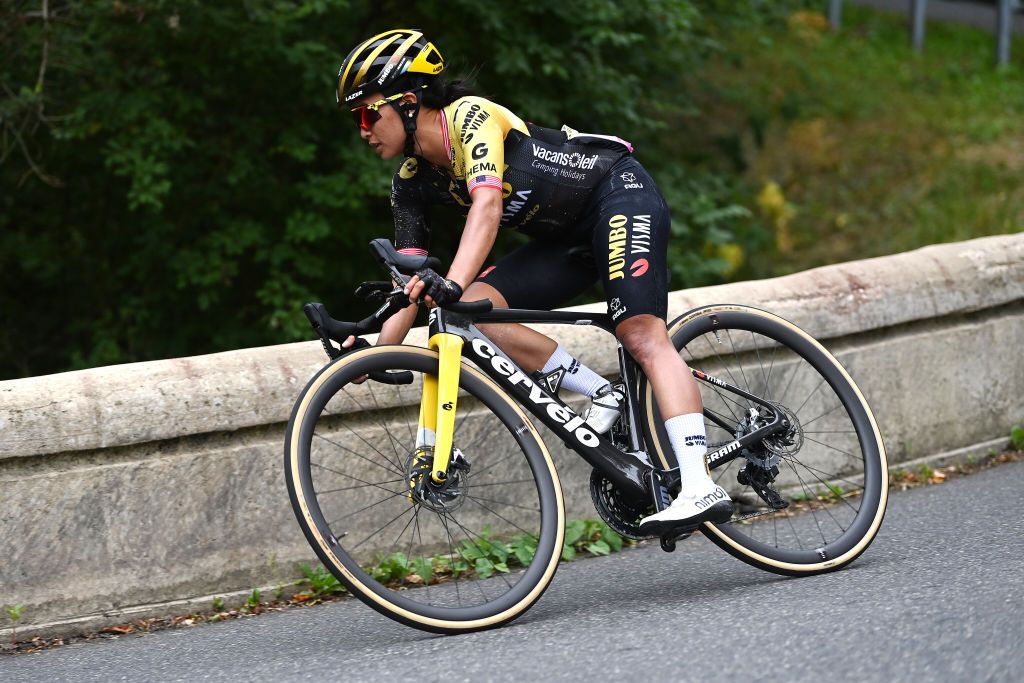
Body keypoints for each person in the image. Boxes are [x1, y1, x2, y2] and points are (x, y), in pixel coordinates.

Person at [335, 29, 732, 534]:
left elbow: (488, 204)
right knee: (468, 312)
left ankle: (699, 483)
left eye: (368, 114)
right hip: (564, 238)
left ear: (409, 103)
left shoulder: (469, 116)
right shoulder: (412, 182)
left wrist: (451, 283)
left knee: (640, 334)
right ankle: (601, 394)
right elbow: (407, 283)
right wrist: (371, 353)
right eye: (356, 120)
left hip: (617, 194)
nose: (363, 130)